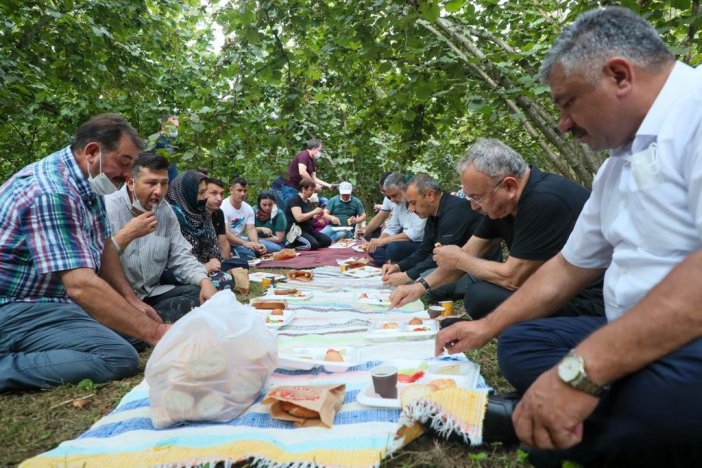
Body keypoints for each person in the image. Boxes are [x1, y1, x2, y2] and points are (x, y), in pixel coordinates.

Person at [434, 8, 702, 466]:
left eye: (568, 102)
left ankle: (539, 419)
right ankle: (595, 415)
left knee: (660, 396)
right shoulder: (616, 163)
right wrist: (485, 327)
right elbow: (567, 268)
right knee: (521, 342)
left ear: (619, 76)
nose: (563, 124)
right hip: (625, 326)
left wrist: (581, 372)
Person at [0, 114, 169, 391]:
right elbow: (79, 286)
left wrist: (131, 302)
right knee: (117, 356)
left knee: (132, 332)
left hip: (51, 302)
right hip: (16, 304)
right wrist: (157, 332)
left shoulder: (87, 186)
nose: (129, 174)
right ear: (92, 152)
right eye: (124, 163)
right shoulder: (53, 192)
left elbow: (103, 248)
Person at [391, 139, 604, 319]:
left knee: (481, 297)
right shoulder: (499, 206)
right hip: (546, 287)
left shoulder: (544, 199)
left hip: (588, 298)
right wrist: (418, 287)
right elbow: (468, 253)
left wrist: (459, 259)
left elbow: (513, 278)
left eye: (476, 197)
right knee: (480, 295)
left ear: (509, 186)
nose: (473, 206)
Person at [105, 152, 217, 323]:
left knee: (197, 292)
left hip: (151, 293)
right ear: (130, 182)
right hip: (116, 298)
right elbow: (94, 263)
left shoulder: (165, 211)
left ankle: (143, 321)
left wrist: (204, 281)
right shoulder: (107, 209)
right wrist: (127, 235)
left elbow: (181, 256)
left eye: (163, 183)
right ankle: (139, 323)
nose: (158, 191)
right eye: (151, 183)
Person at [381, 173, 491, 288]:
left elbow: (443, 258)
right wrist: (398, 267)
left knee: (426, 282)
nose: (412, 209)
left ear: (430, 195)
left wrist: (407, 276)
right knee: (422, 278)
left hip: (477, 270)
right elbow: (424, 251)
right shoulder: (433, 215)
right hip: (454, 266)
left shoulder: (454, 212)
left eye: (413, 203)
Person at [166, 171, 247, 290]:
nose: (204, 197)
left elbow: (216, 245)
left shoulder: (202, 213)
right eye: (201, 193)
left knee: (241, 264)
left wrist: (215, 261)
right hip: (183, 273)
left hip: (208, 267)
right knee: (223, 281)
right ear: (187, 193)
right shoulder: (172, 216)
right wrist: (204, 268)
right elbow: (176, 261)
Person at [366, 172, 426, 265]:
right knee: (372, 247)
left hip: (419, 243)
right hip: (404, 240)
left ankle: (393, 262)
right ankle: (390, 262)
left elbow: (415, 234)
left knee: (394, 247)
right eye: (389, 197)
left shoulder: (419, 201)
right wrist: (377, 241)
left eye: (394, 195)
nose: (392, 200)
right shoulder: (399, 203)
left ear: (405, 189)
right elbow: (392, 227)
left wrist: (383, 241)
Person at [221, 176, 266, 260]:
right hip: (224, 243)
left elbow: (251, 229)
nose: (242, 194)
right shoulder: (223, 207)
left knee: (260, 250)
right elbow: (225, 233)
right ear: (231, 190)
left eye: (245, 191)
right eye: (239, 190)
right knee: (250, 255)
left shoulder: (248, 208)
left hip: (239, 241)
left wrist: (256, 244)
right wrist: (244, 243)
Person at [280, 139, 332, 206]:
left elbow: (314, 178)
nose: (320, 153)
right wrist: (314, 185)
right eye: (319, 150)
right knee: (291, 210)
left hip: (300, 190)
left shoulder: (312, 161)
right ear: (313, 149)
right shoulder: (303, 155)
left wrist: (328, 185)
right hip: (290, 188)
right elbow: (302, 172)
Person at [285, 179, 332, 251]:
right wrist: (314, 212)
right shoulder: (295, 200)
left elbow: (309, 217)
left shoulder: (308, 201)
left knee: (327, 241)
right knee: (313, 245)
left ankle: (310, 243)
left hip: (308, 230)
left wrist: (316, 215)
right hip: (296, 231)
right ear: (303, 189)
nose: (312, 192)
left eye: (313, 190)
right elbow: (299, 218)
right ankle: (290, 247)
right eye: (311, 190)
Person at [203, 177, 232, 260]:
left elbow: (223, 243)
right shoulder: (195, 213)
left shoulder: (219, 213)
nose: (219, 198)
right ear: (203, 194)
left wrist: (225, 264)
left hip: (215, 259)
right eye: (214, 193)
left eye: (221, 194)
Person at [361, 171, 394, 240]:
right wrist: (365, 231)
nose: (392, 199)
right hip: (391, 228)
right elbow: (380, 217)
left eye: (385, 191)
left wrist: (381, 240)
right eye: (382, 191)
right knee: (369, 235)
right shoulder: (387, 198)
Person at [147, 115, 179, 181]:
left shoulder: (170, 142)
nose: (175, 129)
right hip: (161, 183)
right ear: (164, 125)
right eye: (173, 126)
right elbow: (147, 163)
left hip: (172, 183)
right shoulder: (155, 139)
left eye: (176, 127)